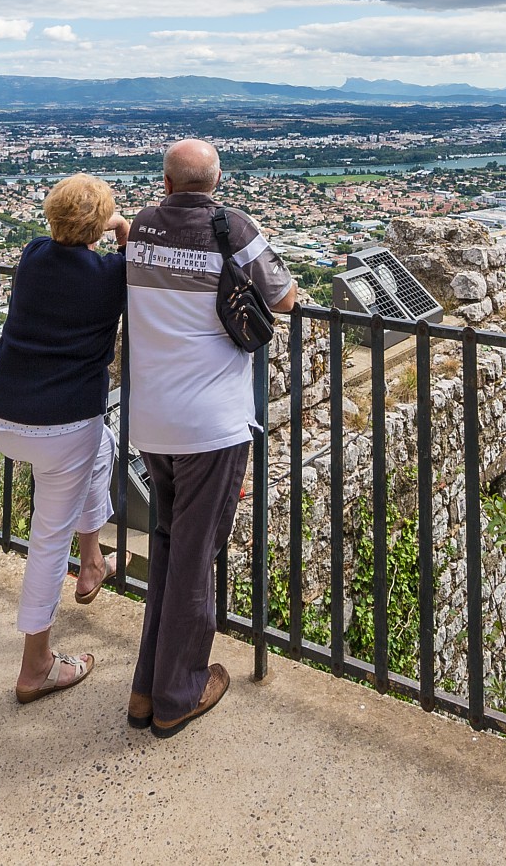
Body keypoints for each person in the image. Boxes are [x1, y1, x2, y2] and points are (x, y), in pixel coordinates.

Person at [122, 137, 297, 736]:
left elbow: (123, 240)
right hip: (211, 426)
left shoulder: (143, 227)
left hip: (149, 421)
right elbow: (286, 297)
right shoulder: (235, 227)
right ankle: (178, 692)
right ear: (216, 184)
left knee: (170, 546)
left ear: (166, 184)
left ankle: (147, 689)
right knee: (196, 557)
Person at [0, 174, 130, 703]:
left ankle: (92, 563)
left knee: (105, 450)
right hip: (63, 424)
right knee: (48, 543)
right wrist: (120, 226)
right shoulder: (112, 274)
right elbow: (127, 250)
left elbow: (66, 236)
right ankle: (36, 665)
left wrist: (95, 221)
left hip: (5, 415)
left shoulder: (34, 256)